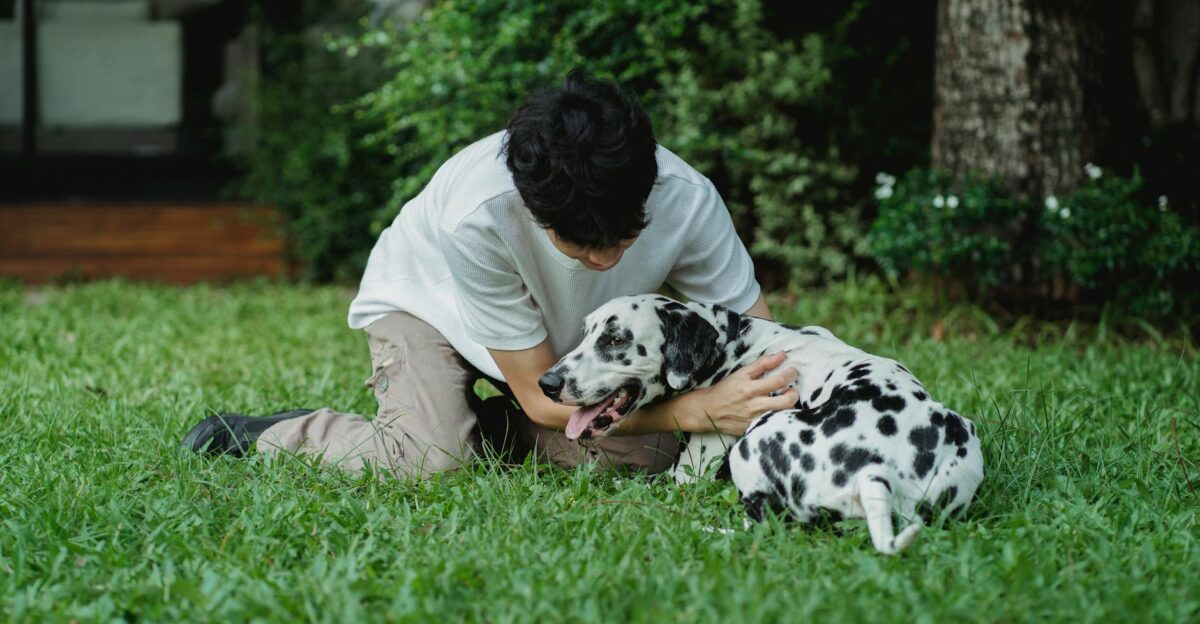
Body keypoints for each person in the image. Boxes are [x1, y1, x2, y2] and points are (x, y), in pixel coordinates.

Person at [181, 70, 799, 478]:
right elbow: (538, 392)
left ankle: (489, 426)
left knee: (653, 453)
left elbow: (761, 341)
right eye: (582, 246)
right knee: (429, 460)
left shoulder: (686, 199)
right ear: (533, 210)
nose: (607, 261)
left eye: (625, 237)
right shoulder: (478, 215)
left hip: (568, 355)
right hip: (430, 308)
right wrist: (696, 411)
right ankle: (274, 433)